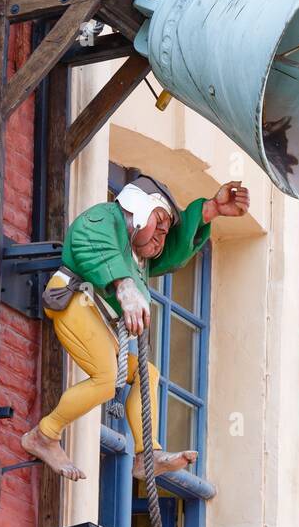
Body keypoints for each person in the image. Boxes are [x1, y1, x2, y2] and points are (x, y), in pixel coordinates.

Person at [21, 174, 250, 481]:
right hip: (77, 301)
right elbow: (91, 243)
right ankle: (43, 435)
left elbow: (173, 254)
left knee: (147, 374)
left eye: (166, 232)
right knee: (104, 379)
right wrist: (124, 286)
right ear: (138, 209)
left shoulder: (140, 258)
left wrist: (210, 211)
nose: (161, 237)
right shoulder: (105, 217)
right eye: (159, 223)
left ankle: (147, 454)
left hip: (102, 323)